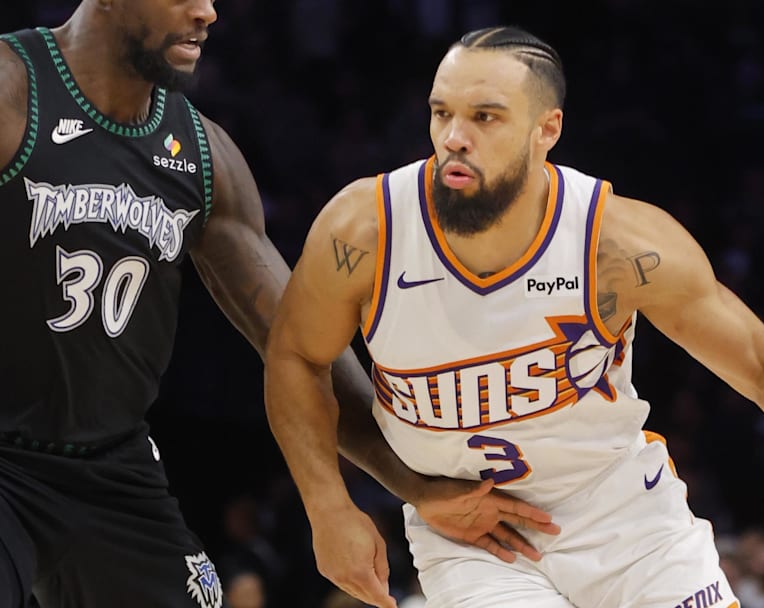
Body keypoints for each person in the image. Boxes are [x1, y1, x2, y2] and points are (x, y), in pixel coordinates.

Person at [264, 26, 764, 608]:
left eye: (485, 116)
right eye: (442, 113)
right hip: (473, 540)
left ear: (547, 130)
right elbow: (296, 357)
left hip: (630, 520)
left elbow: (758, 358)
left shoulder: (618, 244)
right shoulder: (365, 231)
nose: (454, 137)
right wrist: (328, 509)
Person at [0, 5, 556, 608]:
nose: (206, 10)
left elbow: (295, 343)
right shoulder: (12, 87)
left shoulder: (202, 153)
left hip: (109, 466)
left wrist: (413, 483)